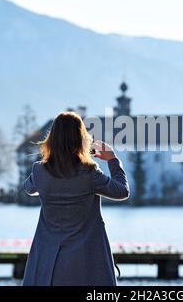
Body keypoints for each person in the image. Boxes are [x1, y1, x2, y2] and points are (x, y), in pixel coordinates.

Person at [21, 111, 130, 286]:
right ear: (81, 139)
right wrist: (112, 160)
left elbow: (28, 188)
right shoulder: (90, 172)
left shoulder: (39, 171)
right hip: (86, 263)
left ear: (52, 139)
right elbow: (122, 191)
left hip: (48, 262)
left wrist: (48, 160)